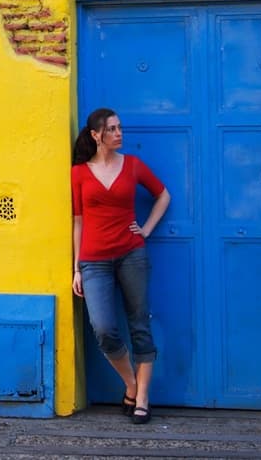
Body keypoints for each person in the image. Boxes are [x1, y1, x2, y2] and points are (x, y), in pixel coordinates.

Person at [71, 107, 171, 424]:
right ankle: (131, 384)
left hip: (132, 254)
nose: (119, 133)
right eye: (112, 129)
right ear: (95, 135)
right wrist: (77, 268)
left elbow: (163, 195)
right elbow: (78, 222)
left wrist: (146, 229)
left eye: (119, 128)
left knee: (139, 324)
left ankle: (142, 397)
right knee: (104, 329)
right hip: (94, 260)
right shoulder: (79, 173)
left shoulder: (133, 165)